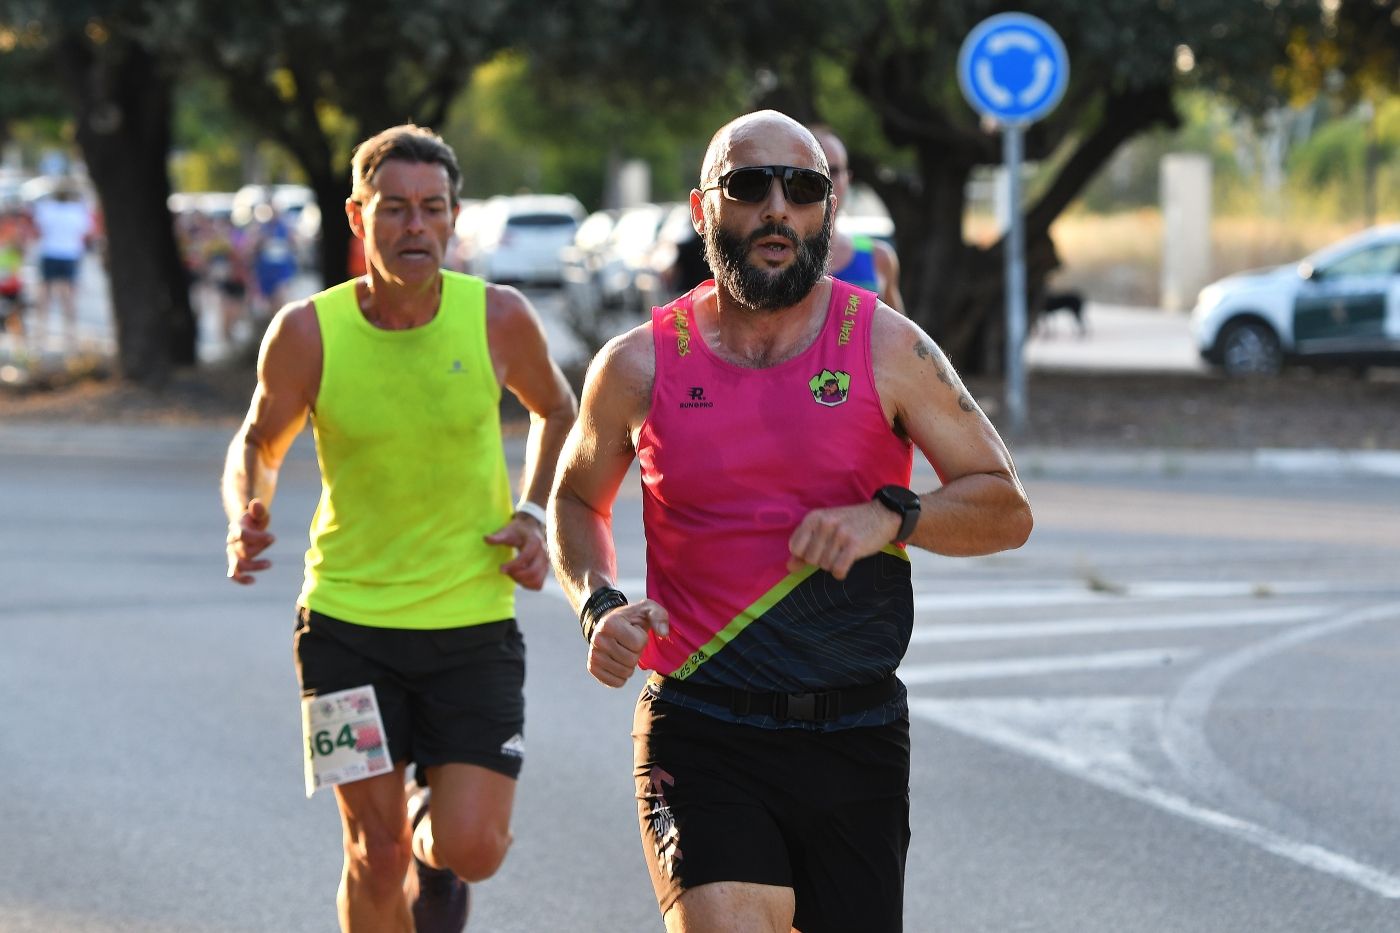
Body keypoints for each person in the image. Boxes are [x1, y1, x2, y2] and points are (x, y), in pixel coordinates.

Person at [549, 110, 1032, 933]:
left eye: (803, 188)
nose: (777, 207)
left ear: (827, 211)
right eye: (748, 185)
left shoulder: (887, 347)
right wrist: (597, 603)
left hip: (856, 730)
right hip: (701, 723)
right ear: (703, 208)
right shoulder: (637, 364)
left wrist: (893, 518)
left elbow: (1005, 505)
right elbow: (573, 500)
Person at [222, 124, 577, 933]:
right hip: (344, 626)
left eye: (432, 207)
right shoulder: (308, 331)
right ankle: (403, 846)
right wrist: (247, 509)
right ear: (358, 216)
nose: (415, 225)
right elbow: (258, 442)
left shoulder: (497, 318)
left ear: (454, 217)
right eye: (394, 208)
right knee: (372, 854)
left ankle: (430, 839)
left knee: (473, 845)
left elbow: (559, 409)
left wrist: (532, 513)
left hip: (471, 624)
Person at [809, 124, 905, 313]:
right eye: (814, 172)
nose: (826, 181)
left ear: (848, 179)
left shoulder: (879, 258)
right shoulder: (772, 260)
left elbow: (901, 331)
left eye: (834, 171)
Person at [31, 180, 93, 353]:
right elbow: (86, 231)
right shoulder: (78, 210)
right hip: (70, 254)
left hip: (50, 252)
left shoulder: (46, 208)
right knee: (69, 296)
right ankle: (70, 334)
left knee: (45, 293)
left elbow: (38, 227)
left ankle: (41, 332)